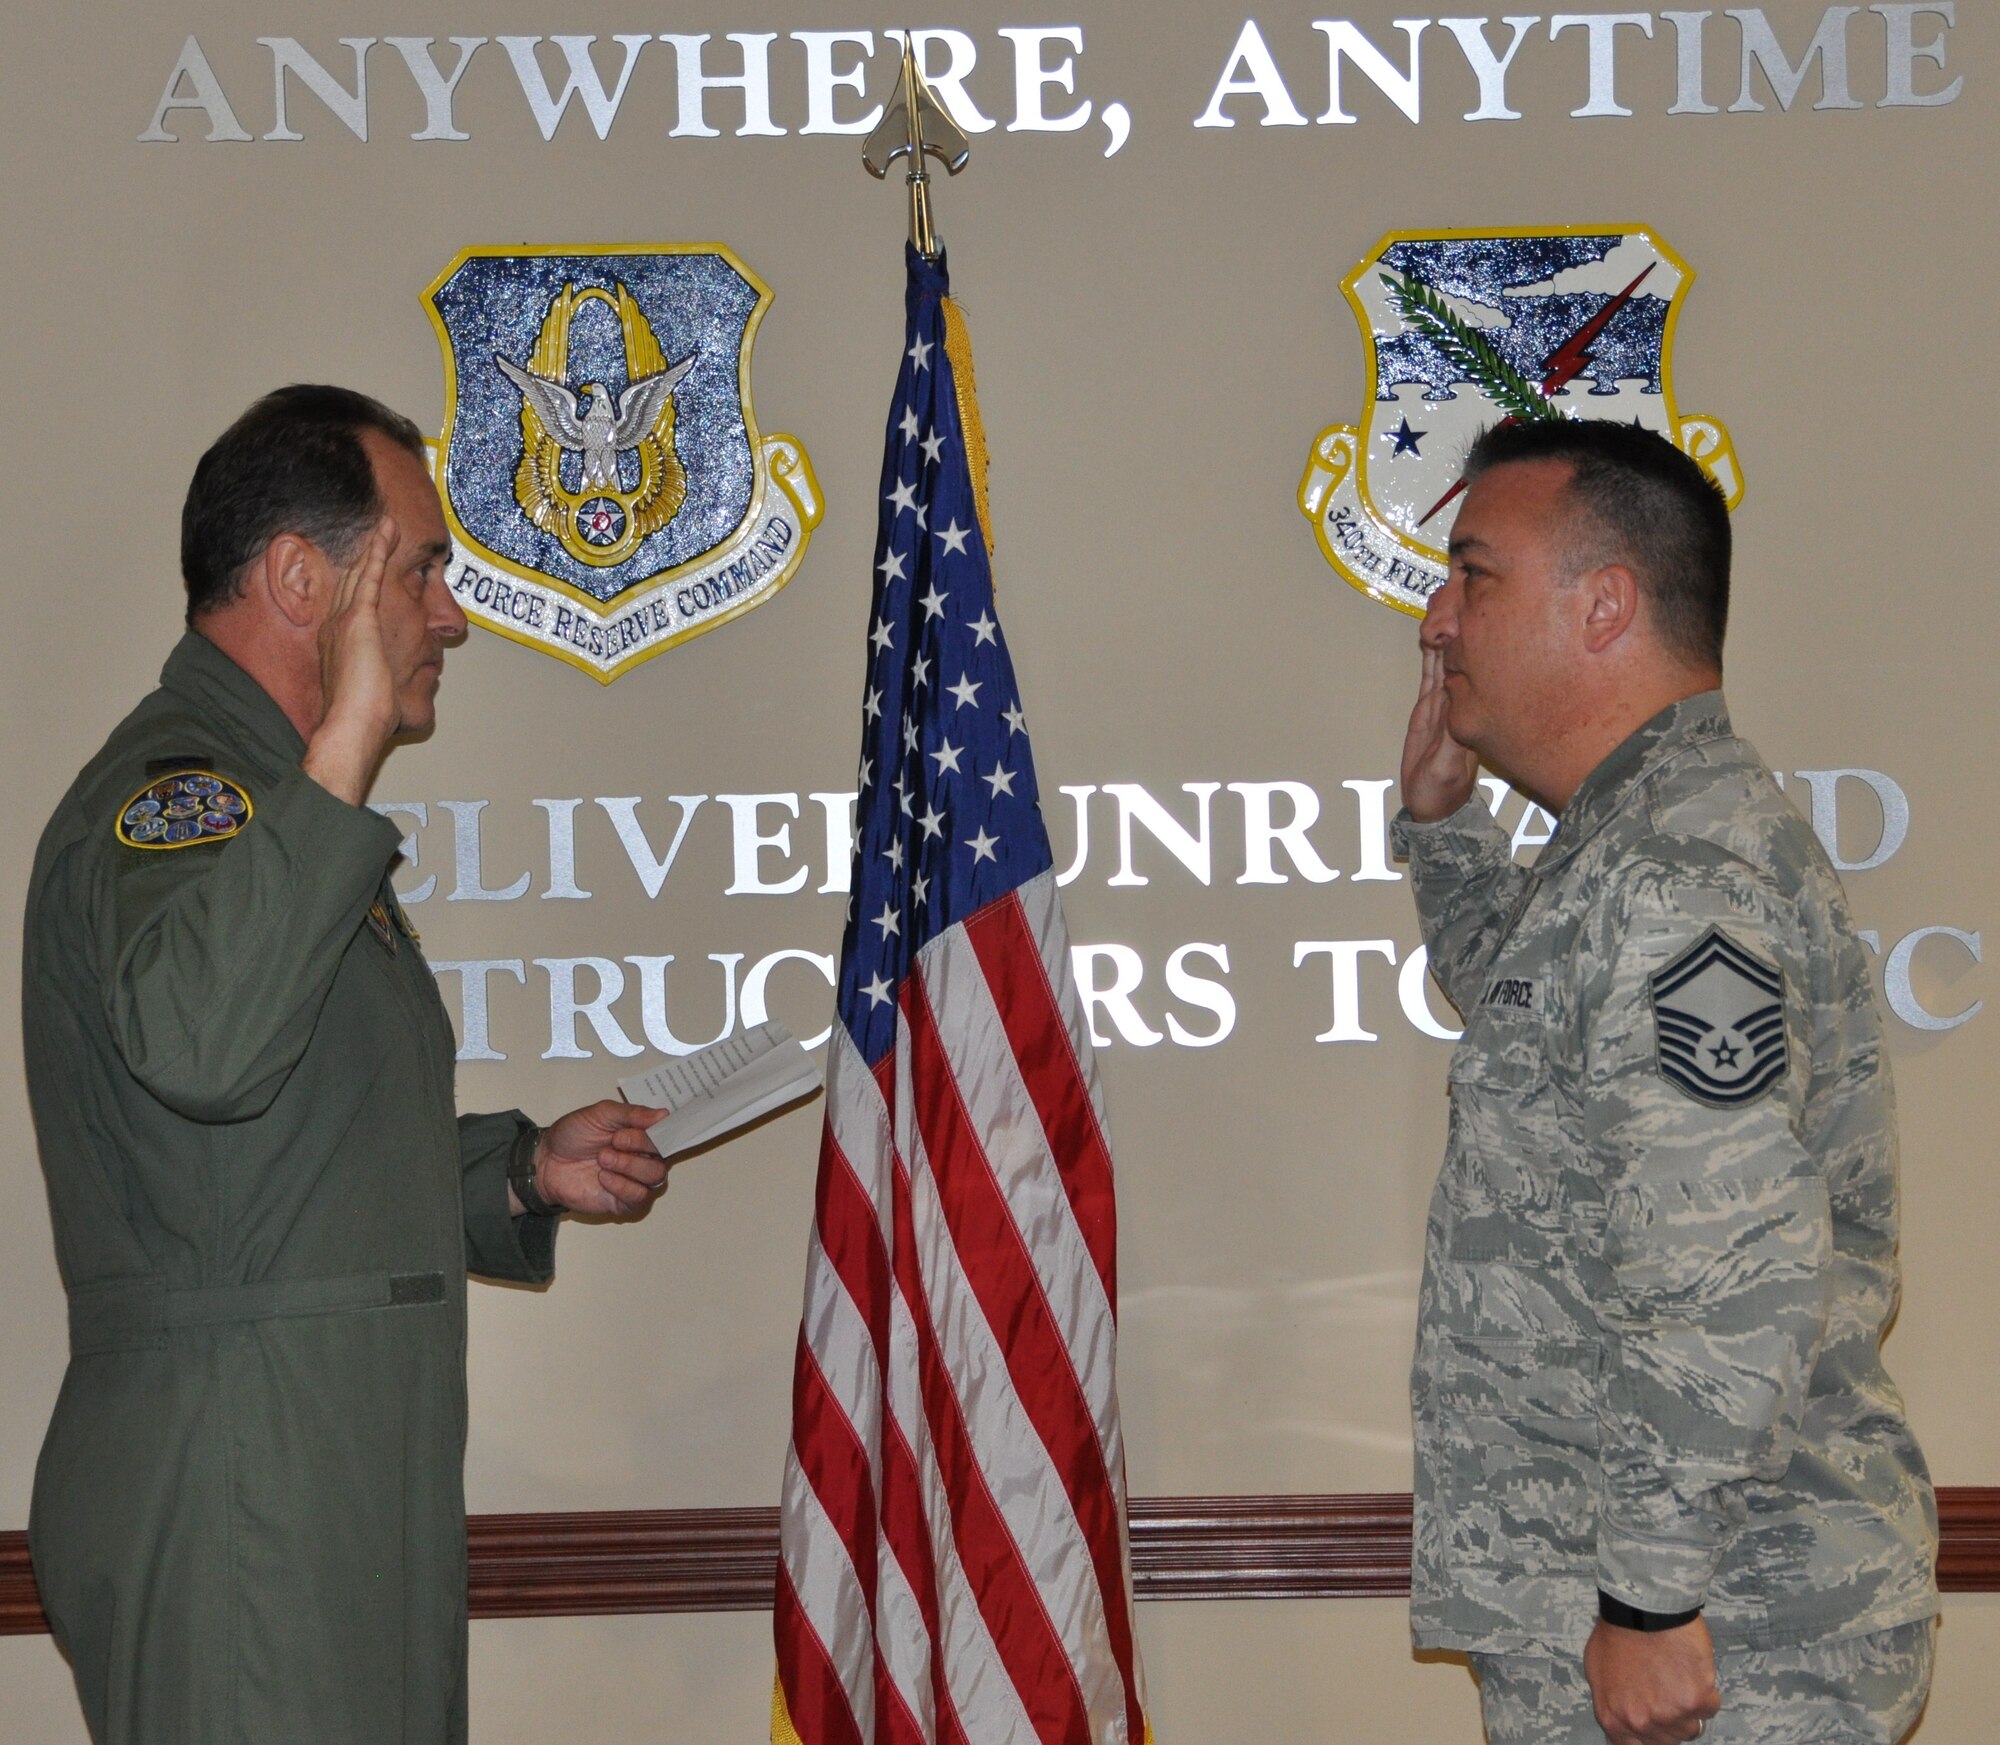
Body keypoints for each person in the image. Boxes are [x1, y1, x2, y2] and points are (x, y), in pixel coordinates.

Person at [24, 385, 671, 1744]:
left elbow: (277, 1176)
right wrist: (348, 744)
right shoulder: (182, 797)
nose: (451, 614)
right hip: (244, 1502)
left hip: (314, 1488)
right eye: (424, 568)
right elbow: (200, 1043)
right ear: (301, 577)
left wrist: (520, 1175)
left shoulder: (272, 810)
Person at [1393, 419, 1937, 1745]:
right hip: (1662, 1605)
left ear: (1607, 605)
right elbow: (1541, 1026)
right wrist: (1446, 835)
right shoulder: (1632, 841)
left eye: (1475, 572)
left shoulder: (1682, 872)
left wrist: (1647, 1596)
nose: (1437, 616)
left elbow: (1727, 1245)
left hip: (1722, 1633)